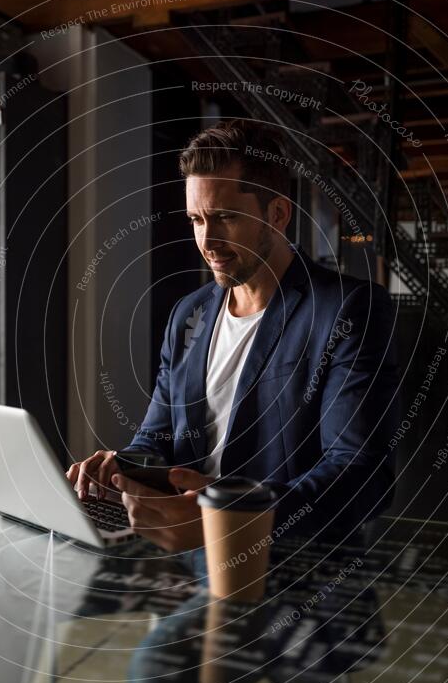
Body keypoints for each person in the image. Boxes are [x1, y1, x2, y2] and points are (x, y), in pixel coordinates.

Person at [67, 118, 399, 550]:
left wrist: (232, 517)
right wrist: (120, 466)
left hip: (296, 566)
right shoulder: (189, 313)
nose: (207, 240)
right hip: (189, 560)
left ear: (277, 214)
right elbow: (158, 437)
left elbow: (360, 472)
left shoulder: (348, 309)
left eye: (224, 217)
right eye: (196, 220)